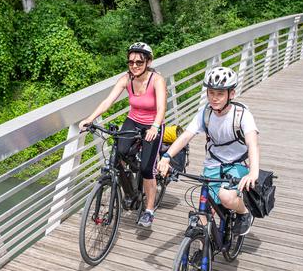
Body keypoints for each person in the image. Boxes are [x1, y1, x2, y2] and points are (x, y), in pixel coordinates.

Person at [157, 66, 258, 236]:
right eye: (211, 93)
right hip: (212, 164)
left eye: (219, 94)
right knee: (203, 213)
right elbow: (185, 136)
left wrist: (253, 172)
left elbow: (253, 144)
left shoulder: (242, 114)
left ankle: (243, 213)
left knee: (226, 197)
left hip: (237, 164)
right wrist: (166, 156)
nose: (214, 98)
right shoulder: (205, 113)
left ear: (231, 94)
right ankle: (203, 247)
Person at [79, 42, 167, 228]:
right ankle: (132, 186)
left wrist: (155, 127)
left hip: (153, 124)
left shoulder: (156, 80)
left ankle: (149, 210)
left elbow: (161, 108)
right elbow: (108, 101)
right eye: (131, 62)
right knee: (119, 152)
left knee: (146, 169)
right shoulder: (126, 79)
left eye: (139, 62)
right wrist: (90, 118)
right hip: (133, 120)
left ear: (148, 62)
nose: (134, 66)